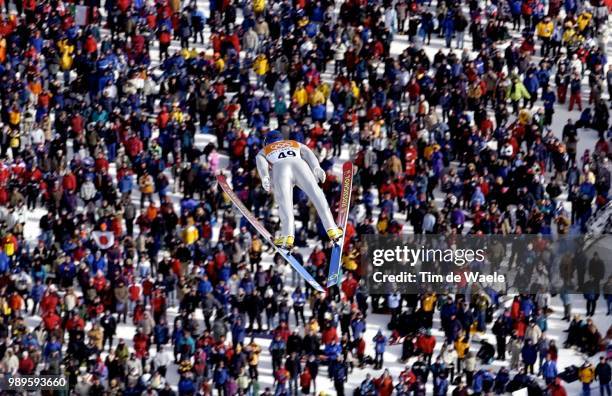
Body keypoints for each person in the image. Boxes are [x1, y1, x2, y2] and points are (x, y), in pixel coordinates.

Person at [255, 130, 343, 248]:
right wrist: (316, 168)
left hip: (280, 169)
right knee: (317, 195)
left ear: (267, 142)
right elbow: (308, 153)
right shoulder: (293, 143)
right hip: (300, 165)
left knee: (285, 203)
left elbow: (261, 164)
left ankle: (287, 237)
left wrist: (265, 177)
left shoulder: (264, 150)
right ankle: (332, 229)